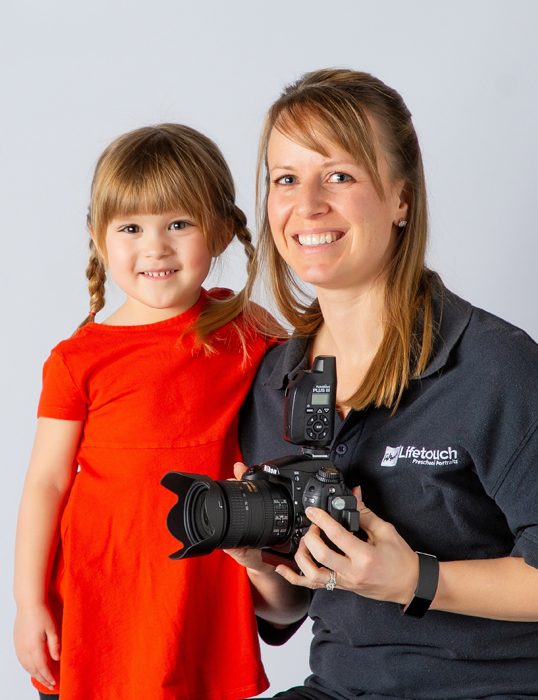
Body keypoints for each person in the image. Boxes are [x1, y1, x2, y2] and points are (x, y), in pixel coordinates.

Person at [229, 69, 538, 699]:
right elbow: (291, 607)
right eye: (286, 179)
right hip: (338, 688)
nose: (307, 204)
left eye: (339, 175)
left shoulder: (493, 366)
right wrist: (255, 561)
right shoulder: (273, 380)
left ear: (401, 199)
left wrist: (415, 580)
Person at [13, 124, 273, 700]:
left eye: (179, 223)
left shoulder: (246, 330)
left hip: (197, 583)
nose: (156, 247)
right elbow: (46, 483)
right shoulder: (78, 358)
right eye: (131, 228)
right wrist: (28, 602)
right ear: (98, 237)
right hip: (99, 589)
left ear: (225, 230)